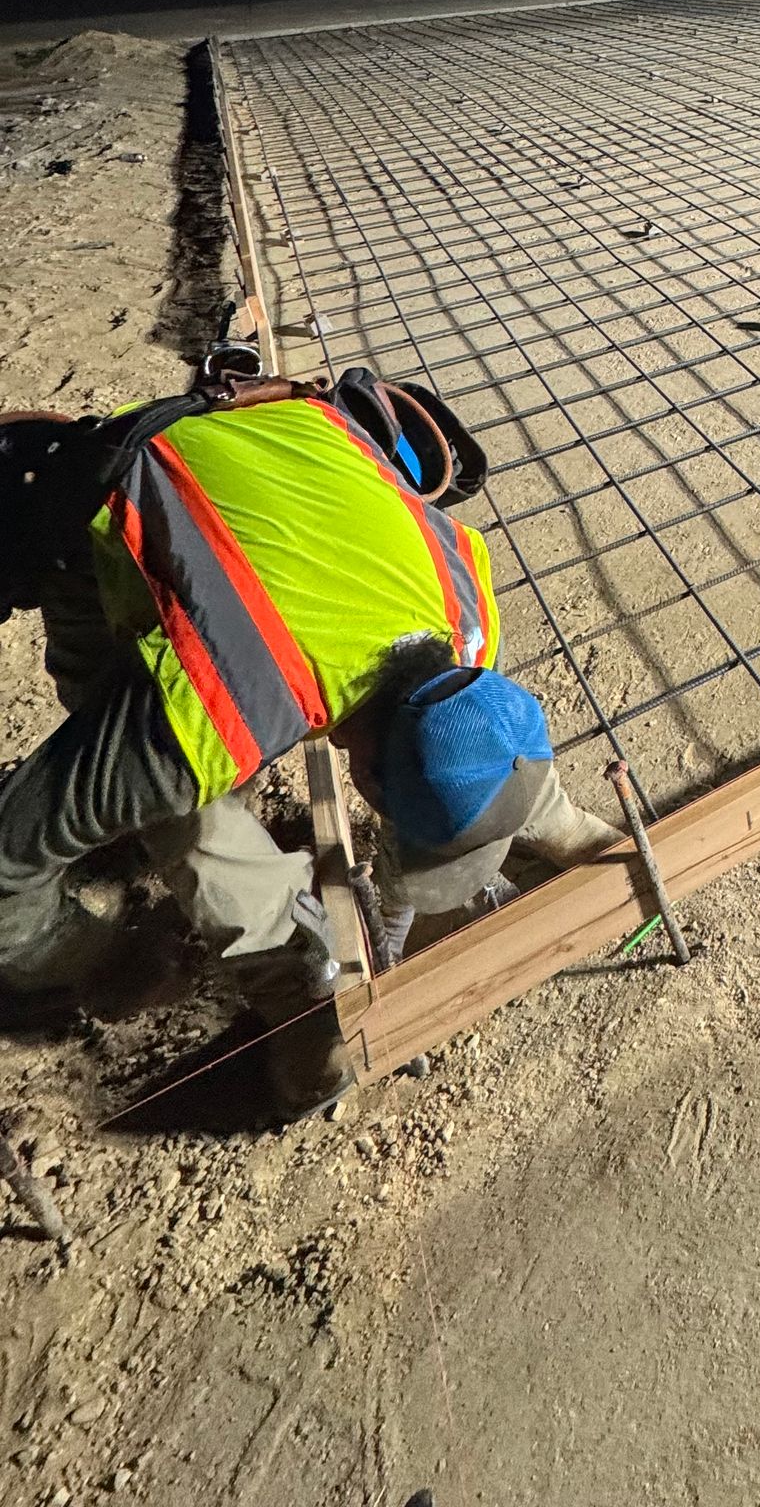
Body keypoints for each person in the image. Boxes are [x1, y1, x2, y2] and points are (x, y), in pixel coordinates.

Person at [0, 366, 617, 1114]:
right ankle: (289, 978)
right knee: (181, 804)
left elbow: (480, 722)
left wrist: (523, 808)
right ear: (368, 780)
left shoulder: (465, 613)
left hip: (262, 436)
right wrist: (91, 957)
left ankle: (550, 819)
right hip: (109, 486)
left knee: (454, 742)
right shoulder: (209, 719)